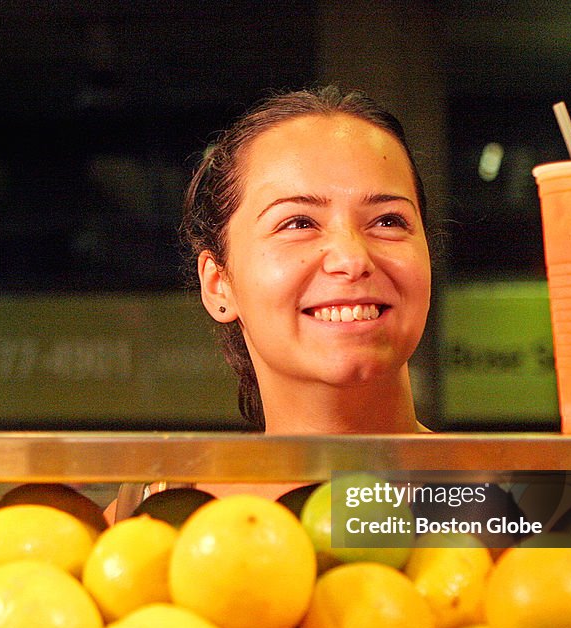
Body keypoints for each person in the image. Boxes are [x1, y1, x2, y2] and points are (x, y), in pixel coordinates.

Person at [107, 84, 434, 522]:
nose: (352, 258)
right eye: (298, 222)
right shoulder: (154, 519)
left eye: (388, 220)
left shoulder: (510, 506)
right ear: (219, 284)